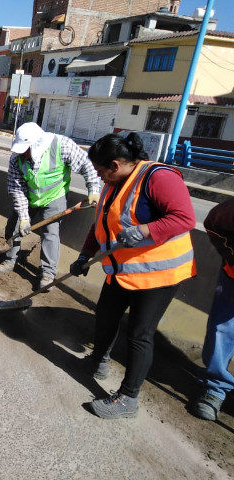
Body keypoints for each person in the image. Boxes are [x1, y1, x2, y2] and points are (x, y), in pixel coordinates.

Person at [69, 133, 196, 419]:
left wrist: (145, 230)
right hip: (123, 269)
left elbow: (185, 217)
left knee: (139, 334)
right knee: (106, 315)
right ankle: (98, 360)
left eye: (101, 171)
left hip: (159, 274)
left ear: (114, 165)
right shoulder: (114, 182)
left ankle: (128, 398)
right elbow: (102, 222)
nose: (99, 178)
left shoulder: (158, 178)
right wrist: (84, 255)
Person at [0, 122, 101, 290]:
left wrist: (93, 189)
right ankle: (9, 260)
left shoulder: (61, 145)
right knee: (14, 226)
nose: (23, 153)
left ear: (36, 144)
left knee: (50, 233)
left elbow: (86, 165)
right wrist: (24, 218)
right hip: (29, 196)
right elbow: (16, 189)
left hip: (54, 196)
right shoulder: (16, 159)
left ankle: (48, 273)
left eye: (26, 149)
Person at [189, 199, 234, 421]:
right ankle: (216, 386)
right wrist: (232, 256)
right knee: (223, 330)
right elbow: (214, 222)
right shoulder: (228, 213)